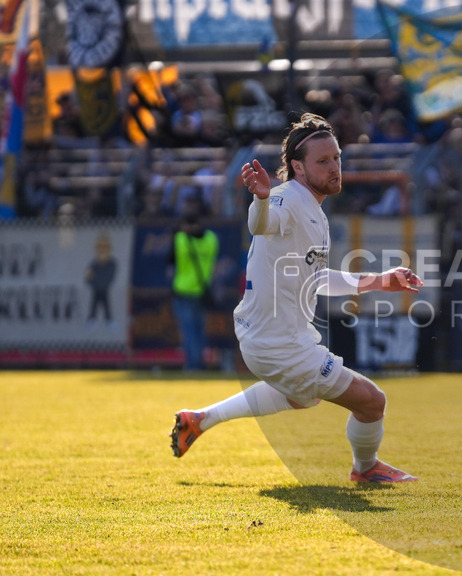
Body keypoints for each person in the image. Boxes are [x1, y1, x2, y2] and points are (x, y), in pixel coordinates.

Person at [169, 113, 424, 484]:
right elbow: (261, 223)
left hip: (271, 339)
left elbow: (317, 278)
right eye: (323, 161)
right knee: (372, 401)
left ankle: (200, 419)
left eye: (336, 157)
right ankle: (366, 468)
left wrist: (380, 282)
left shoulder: (312, 208)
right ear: (297, 167)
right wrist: (260, 198)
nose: (335, 167)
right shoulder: (286, 200)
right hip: (279, 343)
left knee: (301, 396)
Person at [169, 210, 219, 370]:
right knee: (199, 332)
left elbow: (170, 262)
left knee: (188, 331)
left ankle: (192, 365)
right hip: (202, 289)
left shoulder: (180, 239)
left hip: (183, 290)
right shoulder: (211, 239)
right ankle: (199, 363)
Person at [85, 231, 117, 326]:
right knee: (95, 303)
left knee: (105, 303)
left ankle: (108, 319)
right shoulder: (93, 264)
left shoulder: (112, 264)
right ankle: (92, 318)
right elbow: (88, 277)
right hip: (97, 288)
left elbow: (111, 276)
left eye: (105, 246)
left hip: (104, 288)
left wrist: (103, 284)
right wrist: (95, 284)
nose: (102, 249)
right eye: (100, 246)